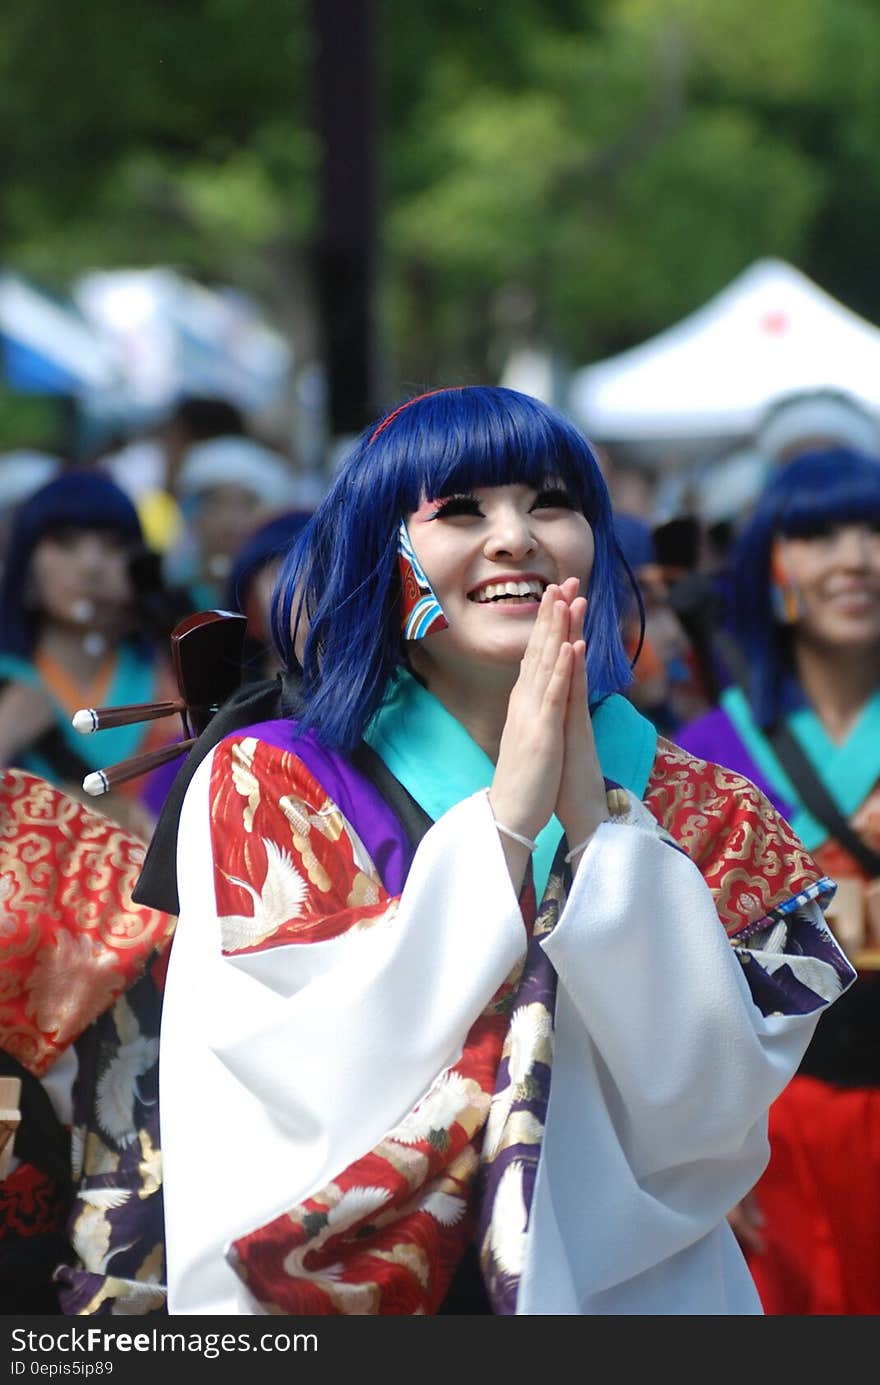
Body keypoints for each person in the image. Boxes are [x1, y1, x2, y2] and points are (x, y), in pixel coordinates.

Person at [155, 385, 854, 1316]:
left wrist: (605, 845)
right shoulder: (271, 783)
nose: (516, 536)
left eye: (551, 502)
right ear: (382, 550)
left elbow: (714, 1112)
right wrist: (502, 834)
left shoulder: (703, 801)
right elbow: (288, 1070)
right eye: (460, 510)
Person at [676, 446, 880, 1315]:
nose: (853, 558)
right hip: (769, 1125)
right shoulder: (710, 752)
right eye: (817, 534)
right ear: (774, 565)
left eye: (875, 531)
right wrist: (695, 1151)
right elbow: (676, 979)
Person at [0, 470, 184, 840]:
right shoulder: (6, 679)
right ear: (26, 562)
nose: (90, 566)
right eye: (65, 544)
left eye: (112, 546)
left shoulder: (178, 679)